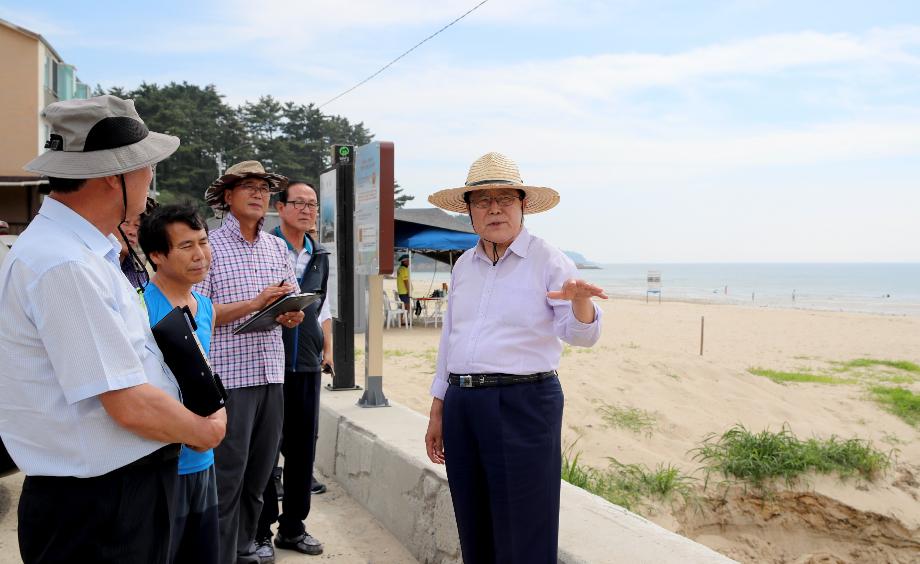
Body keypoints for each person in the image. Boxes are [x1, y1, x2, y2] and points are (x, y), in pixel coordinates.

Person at [0, 94, 226, 563]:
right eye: (145, 166)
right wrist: (203, 432)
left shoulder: (81, 252)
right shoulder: (65, 264)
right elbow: (127, 402)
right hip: (100, 506)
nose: (149, 178)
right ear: (112, 177)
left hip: (109, 496)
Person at [423, 152, 606, 563]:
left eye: (505, 198)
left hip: (524, 402)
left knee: (524, 530)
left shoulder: (548, 259)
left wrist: (580, 305)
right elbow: (450, 341)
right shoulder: (464, 266)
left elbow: (582, 335)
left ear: (523, 205)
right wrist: (439, 408)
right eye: (482, 200)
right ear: (468, 211)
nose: (494, 208)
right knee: (474, 523)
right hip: (463, 404)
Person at [196, 160, 305, 564]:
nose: (260, 194)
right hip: (228, 376)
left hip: (271, 372)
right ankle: (219, 553)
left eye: (264, 188)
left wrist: (293, 313)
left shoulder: (278, 247)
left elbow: (290, 300)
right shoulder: (207, 245)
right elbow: (198, 313)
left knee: (260, 476)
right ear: (228, 196)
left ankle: (244, 546)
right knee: (227, 476)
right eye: (249, 187)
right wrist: (255, 304)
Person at [138, 203, 220, 564]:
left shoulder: (205, 306)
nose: (200, 255)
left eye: (203, 242)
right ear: (157, 255)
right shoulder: (139, 308)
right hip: (160, 466)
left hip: (203, 459)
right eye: (186, 246)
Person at [255, 181, 332, 559]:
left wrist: (325, 348)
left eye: (312, 204)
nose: (306, 210)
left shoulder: (320, 255)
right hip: (267, 362)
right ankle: (260, 530)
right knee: (267, 451)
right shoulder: (264, 248)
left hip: (306, 363)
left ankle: (293, 528)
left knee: (303, 449)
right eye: (298, 203)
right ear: (280, 207)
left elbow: (322, 308)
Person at [396, 253, 411, 322]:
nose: (409, 262)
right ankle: (402, 321)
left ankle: (402, 320)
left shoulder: (399, 268)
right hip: (404, 291)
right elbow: (405, 281)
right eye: (408, 261)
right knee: (406, 306)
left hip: (401, 290)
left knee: (405, 306)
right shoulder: (404, 269)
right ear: (404, 261)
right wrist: (408, 290)